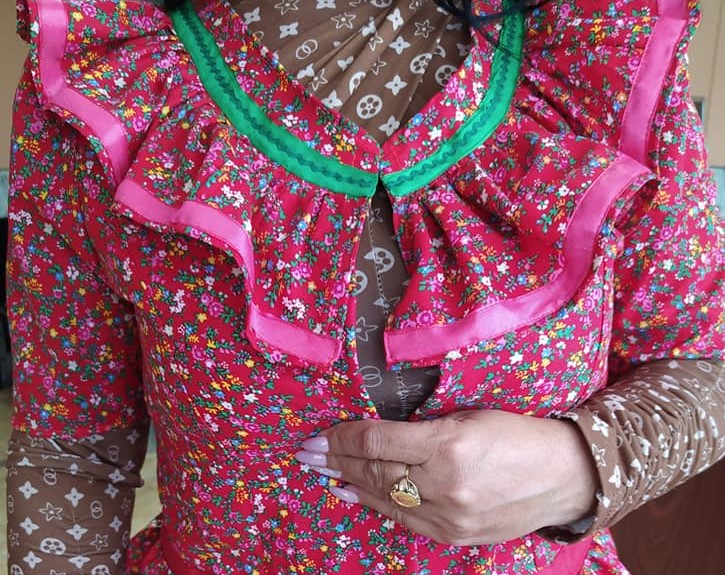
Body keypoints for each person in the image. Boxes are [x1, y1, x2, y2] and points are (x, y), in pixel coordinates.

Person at [5, 0, 724, 573]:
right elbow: (71, 449)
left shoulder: (597, 50)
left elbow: (706, 359)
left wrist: (584, 464)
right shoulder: (107, 78)